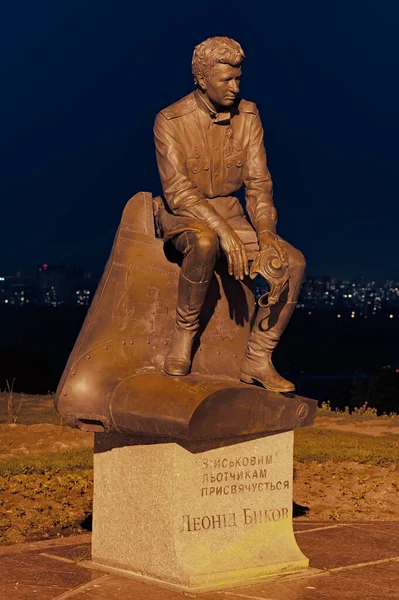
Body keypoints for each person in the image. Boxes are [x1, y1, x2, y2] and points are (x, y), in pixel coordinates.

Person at [154, 36, 305, 392]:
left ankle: (257, 359)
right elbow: (178, 192)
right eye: (227, 80)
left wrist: (266, 235)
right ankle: (184, 334)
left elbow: (258, 185)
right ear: (202, 79)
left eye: (239, 78)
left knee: (293, 263)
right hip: (184, 214)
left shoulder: (248, 116)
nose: (235, 87)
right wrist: (224, 233)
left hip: (233, 215)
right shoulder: (170, 121)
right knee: (205, 242)